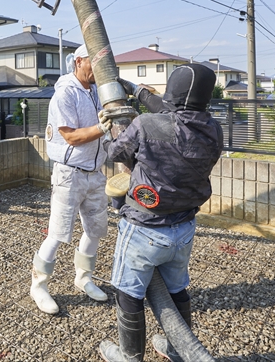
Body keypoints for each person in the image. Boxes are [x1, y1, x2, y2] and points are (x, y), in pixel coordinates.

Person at [97, 64, 223, 362]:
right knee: (177, 289)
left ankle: (129, 356)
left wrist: (106, 131)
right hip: (184, 228)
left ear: (174, 91)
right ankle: (177, 350)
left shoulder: (146, 125)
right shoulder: (213, 128)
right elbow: (177, 115)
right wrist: (138, 92)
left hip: (144, 228)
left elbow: (115, 153)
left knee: (129, 292)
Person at [30, 45, 111, 315]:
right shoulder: (65, 93)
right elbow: (71, 137)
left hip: (96, 172)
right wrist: (102, 127)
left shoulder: (96, 91)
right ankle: (38, 285)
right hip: (69, 172)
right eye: (93, 63)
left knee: (95, 229)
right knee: (58, 232)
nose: (98, 69)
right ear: (78, 62)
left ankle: (83, 277)